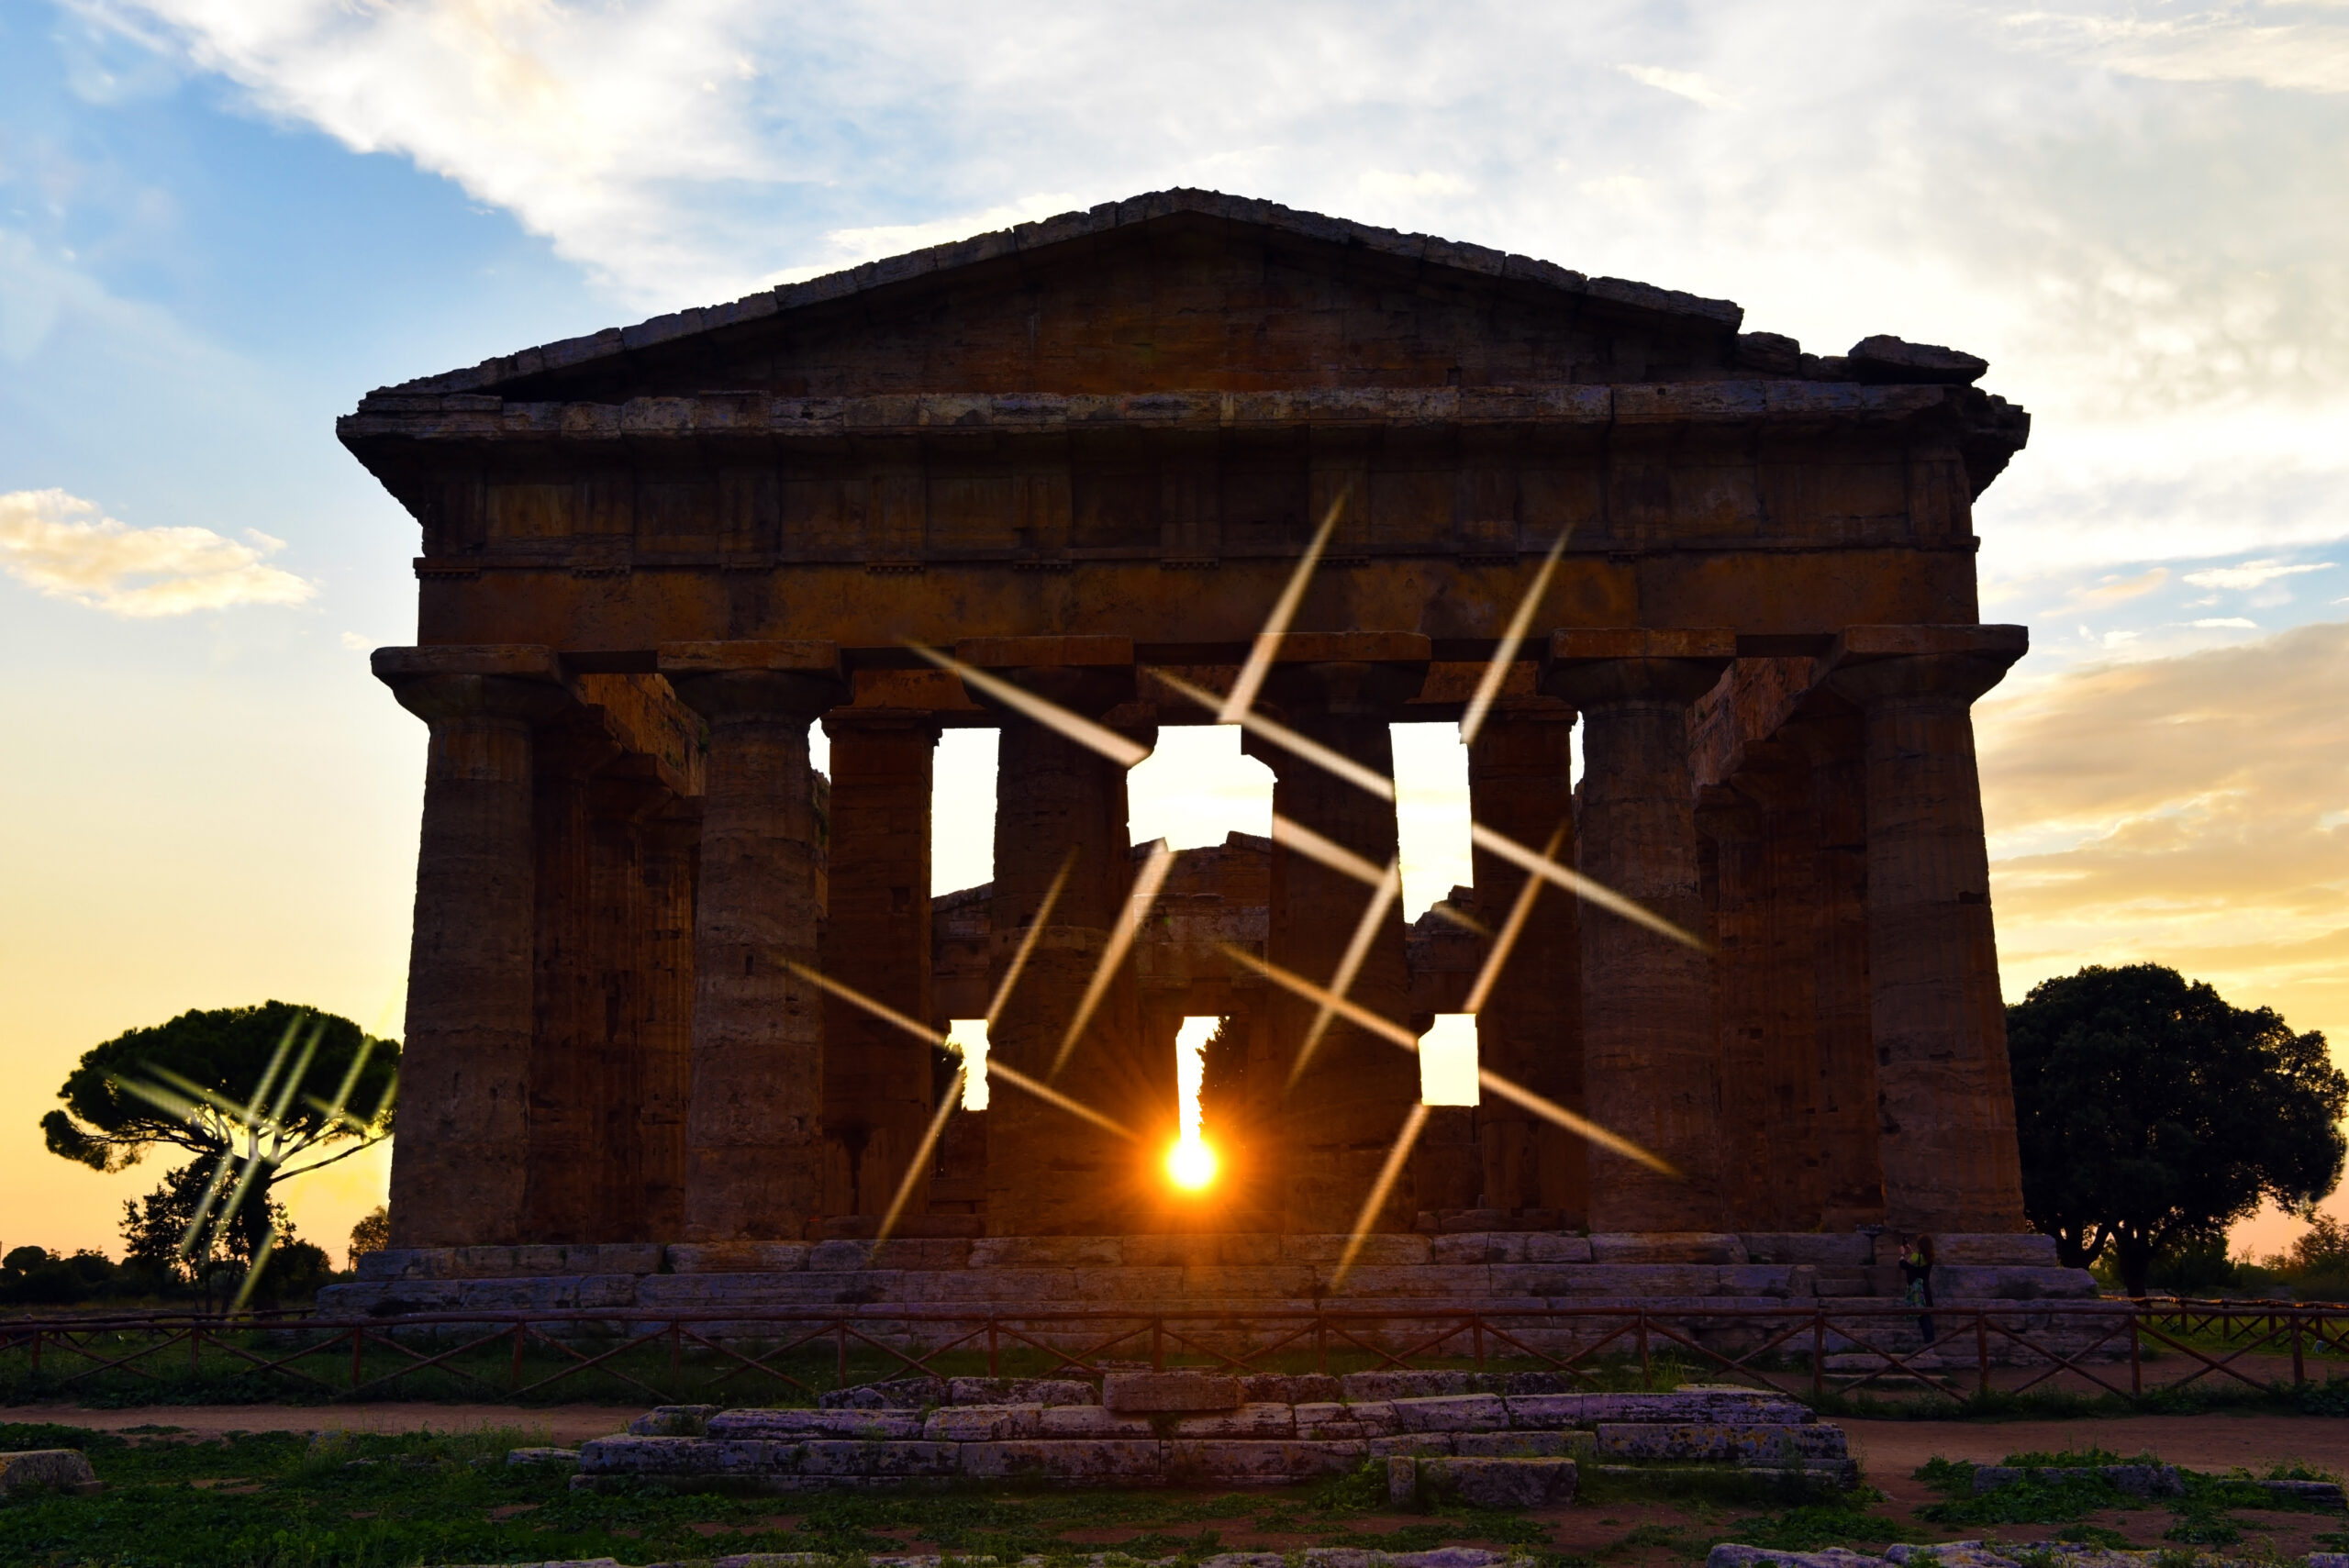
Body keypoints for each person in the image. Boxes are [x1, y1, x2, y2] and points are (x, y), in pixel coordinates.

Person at [1898, 1233, 1937, 1346]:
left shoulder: (1917, 1257)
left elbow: (1903, 1264)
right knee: (1927, 1318)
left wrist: (1902, 1253)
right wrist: (1911, 1251)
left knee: (1923, 1319)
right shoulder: (1930, 1257)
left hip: (1918, 1293)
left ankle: (1929, 1345)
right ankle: (1931, 1343)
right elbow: (1918, 1261)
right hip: (1926, 1291)